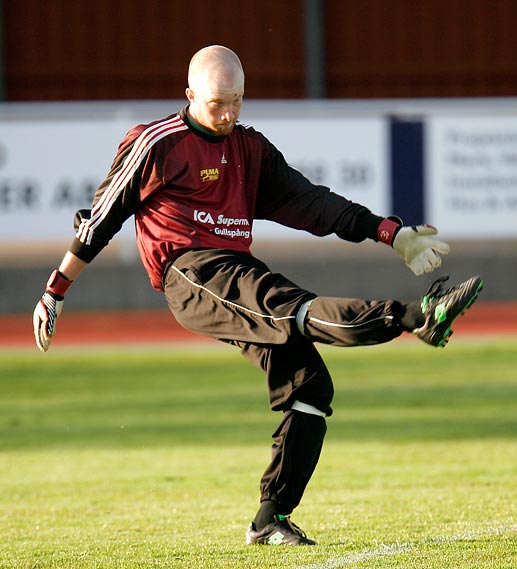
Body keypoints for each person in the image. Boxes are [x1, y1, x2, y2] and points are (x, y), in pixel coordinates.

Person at [32, 45, 483, 546]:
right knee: (293, 308)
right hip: (190, 274)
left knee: (311, 388)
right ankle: (416, 315)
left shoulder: (250, 149)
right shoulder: (156, 143)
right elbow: (102, 217)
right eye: (217, 103)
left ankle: (270, 519)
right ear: (190, 95)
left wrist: (388, 232)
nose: (228, 115)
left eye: (238, 102)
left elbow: (313, 203)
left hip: (239, 270)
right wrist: (56, 291)